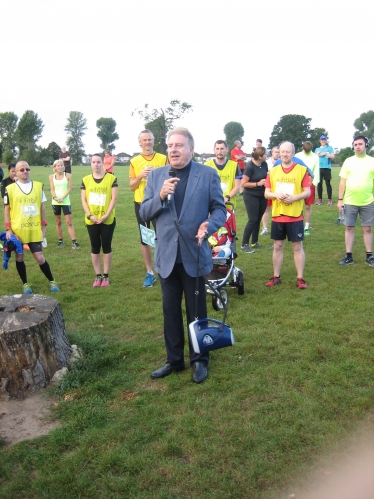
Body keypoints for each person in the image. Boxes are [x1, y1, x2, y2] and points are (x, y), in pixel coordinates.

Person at [140, 127, 226, 384]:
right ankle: (174, 360)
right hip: (167, 256)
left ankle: (200, 360)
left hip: (194, 253)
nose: (173, 149)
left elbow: (220, 209)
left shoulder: (208, 174)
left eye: (179, 145)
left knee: (196, 311)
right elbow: (144, 213)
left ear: (191, 148)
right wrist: (160, 196)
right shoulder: (156, 177)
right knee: (170, 311)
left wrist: (208, 225)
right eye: (170, 145)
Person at [4, 161, 59, 294]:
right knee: (19, 257)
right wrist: (8, 228)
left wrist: (44, 225)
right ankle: (25, 284)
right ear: (15, 172)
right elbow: (6, 210)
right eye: (21, 170)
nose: (25, 171)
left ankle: (52, 280)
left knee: (40, 257)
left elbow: (42, 207)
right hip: (18, 230)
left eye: (27, 169)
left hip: (34, 229)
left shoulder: (38, 186)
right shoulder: (10, 189)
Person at [264, 141, 311, 289]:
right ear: (279, 153)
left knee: (297, 246)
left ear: (293, 153)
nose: (284, 154)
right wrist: (275, 195)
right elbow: (266, 193)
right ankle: (276, 276)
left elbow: (307, 191)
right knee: (278, 246)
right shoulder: (273, 171)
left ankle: (300, 278)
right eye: (282, 151)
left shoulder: (302, 170)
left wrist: (294, 198)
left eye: (288, 152)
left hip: (295, 214)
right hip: (278, 215)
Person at [129, 129, 167, 287]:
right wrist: (140, 176)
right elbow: (131, 186)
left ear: (153, 141)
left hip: (159, 203)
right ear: (139, 142)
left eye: (149, 140)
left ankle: (164, 269)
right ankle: (150, 272)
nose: (147, 143)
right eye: (144, 140)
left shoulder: (163, 158)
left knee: (163, 236)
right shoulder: (135, 161)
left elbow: (170, 177)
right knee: (145, 239)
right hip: (141, 205)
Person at [81, 153, 118, 287]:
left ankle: (106, 276)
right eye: (93, 162)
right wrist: (90, 215)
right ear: (90, 164)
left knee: (106, 246)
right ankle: (98, 276)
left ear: (103, 163)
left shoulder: (111, 178)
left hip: (107, 219)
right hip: (92, 219)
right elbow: (84, 200)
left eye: (98, 162)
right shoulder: (85, 180)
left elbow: (114, 198)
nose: (96, 164)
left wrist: (106, 215)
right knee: (95, 247)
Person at [337, 135, 374, 266]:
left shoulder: (372, 161)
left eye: (360, 144)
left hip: (368, 201)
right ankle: (348, 256)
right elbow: (342, 182)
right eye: (355, 144)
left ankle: (369, 256)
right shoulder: (348, 161)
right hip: (349, 201)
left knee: (367, 229)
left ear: (366, 145)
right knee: (349, 227)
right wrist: (340, 200)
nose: (357, 146)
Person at [241, 147, 268, 252]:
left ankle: (254, 242)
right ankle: (244, 244)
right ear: (260, 156)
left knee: (258, 219)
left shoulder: (264, 164)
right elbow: (243, 183)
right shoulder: (250, 167)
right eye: (265, 154)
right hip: (251, 196)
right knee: (252, 220)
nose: (267, 156)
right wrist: (258, 184)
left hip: (262, 195)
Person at [49, 159, 80, 249]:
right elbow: (52, 189)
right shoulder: (51, 177)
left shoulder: (68, 175)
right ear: (54, 167)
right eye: (58, 165)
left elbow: (69, 188)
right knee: (58, 222)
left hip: (65, 201)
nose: (60, 167)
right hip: (55, 202)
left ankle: (74, 242)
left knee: (69, 222)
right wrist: (55, 197)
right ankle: (60, 241)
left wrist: (62, 197)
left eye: (61, 165)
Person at [205, 140, 241, 206]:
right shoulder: (207, 165)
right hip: (211, 205)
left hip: (229, 205)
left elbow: (237, 186)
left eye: (222, 149)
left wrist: (227, 198)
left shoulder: (234, 165)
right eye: (217, 149)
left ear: (227, 149)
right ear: (214, 150)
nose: (219, 152)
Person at [295, 141, 320, 235]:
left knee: (308, 206)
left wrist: (314, 183)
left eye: (308, 151)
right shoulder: (298, 155)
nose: (306, 152)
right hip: (298, 183)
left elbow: (316, 171)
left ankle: (307, 227)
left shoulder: (315, 157)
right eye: (305, 151)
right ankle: (298, 224)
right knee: (298, 205)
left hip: (310, 183)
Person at [260, 146, 280, 235]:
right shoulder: (266, 163)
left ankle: (278, 227)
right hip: (268, 189)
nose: (277, 153)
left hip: (278, 189)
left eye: (278, 152)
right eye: (275, 152)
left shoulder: (282, 163)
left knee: (278, 208)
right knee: (266, 209)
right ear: (272, 153)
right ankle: (265, 228)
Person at [315, 134, 335, 205]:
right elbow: (314, 158)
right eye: (322, 140)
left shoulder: (329, 148)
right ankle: (320, 199)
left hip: (327, 168)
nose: (323, 141)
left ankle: (329, 199)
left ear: (326, 141)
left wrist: (325, 153)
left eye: (324, 140)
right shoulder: (317, 149)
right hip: (319, 168)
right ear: (320, 141)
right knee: (319, 184)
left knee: (327, 184)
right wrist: (316, 155)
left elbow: (332, 156)